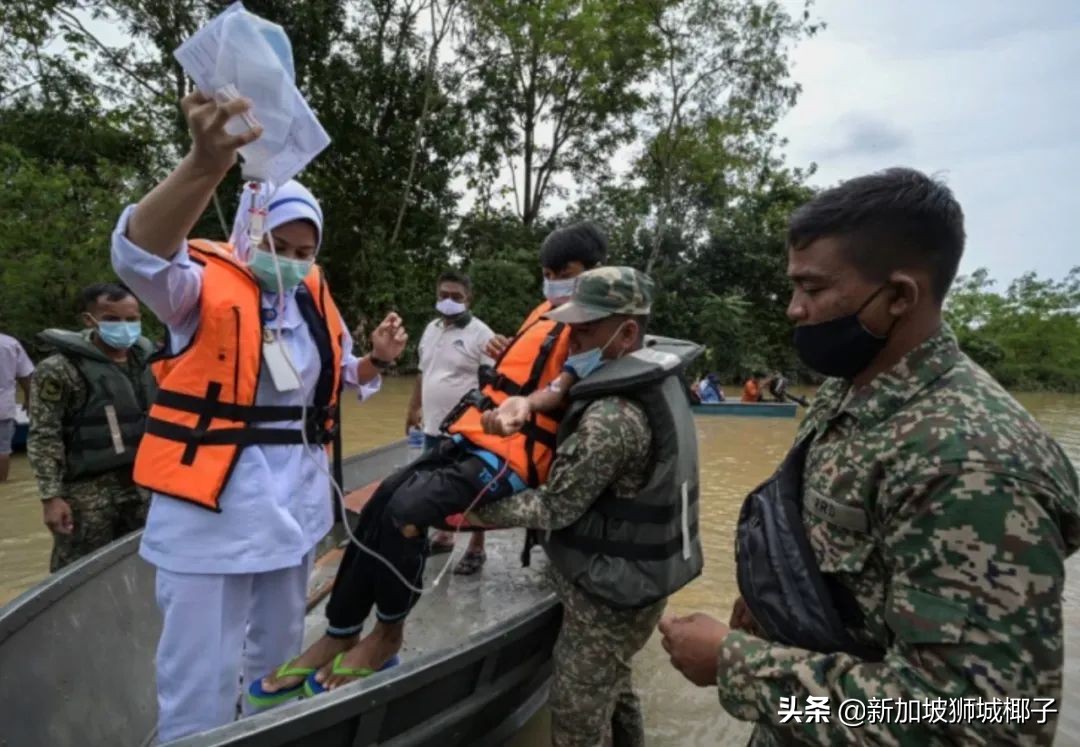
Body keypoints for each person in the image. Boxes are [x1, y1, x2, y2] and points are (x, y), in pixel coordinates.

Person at [659, 167, 1080, 745]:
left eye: (813, 289)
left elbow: (987, 723)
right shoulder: (850, 385)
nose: (793, 309)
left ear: (900, 296)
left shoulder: (972, 466)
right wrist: (764, 608)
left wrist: (737, 666)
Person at [110, 91, 408, 742]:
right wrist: (204, 163)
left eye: (306, 249)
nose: (294, 259)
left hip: (290, 515)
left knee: (272, 669)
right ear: (251, 230)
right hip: (210, 518)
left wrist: (377, 360)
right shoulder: (194, 289)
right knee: (199, 685)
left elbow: (342, 378)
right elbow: (140, 254)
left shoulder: (311, 300)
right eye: (280, 242)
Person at [253, 221, 608, 702]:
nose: (553, 280)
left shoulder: (598, 319)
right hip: (476, 434)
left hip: (518, 452)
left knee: (408, 510)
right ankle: (341, 630)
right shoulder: (545, 311)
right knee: (381, 499)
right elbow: (528, 365)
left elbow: (569, 376)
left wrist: (530, 404)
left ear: (594, 271)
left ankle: (388, 635)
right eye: (548, 271)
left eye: (564, 271)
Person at [469, 266, 704, 747]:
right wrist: (531, 403)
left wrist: (471, 515)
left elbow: (556, 507)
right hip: (641, 580)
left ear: (628, 332)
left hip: (609, 597)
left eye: (586, 330)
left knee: (577, 715)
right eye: (570, 328)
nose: (571, 341)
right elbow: (568, 378)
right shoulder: (651, 376)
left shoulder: (611, 419)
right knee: (617, 688)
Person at [26, 283, 154, 571]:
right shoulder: (59, 370)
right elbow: (45, 435)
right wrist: (51, 497)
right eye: (112, 319)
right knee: (80, 573)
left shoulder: (150, 360)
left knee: (145, 568)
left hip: (144, 487)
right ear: (89, 320)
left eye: (132, 319)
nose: (125, 327)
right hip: (87, 495)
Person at [407, 270, 495, 573]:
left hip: (466, 430)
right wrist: (413, 407)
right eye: (443, 295)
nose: (448, 301)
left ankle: (476, 548)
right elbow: (423, 372)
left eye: (456, 297)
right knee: (433, 483)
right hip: (432, 425)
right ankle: (445, 536)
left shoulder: (482, 335)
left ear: (468, 299)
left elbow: (493, 384)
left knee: (470, 488)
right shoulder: (431, 328)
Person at [0, 330, 33, 481]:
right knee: (2, 450)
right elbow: (25, 375)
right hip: (3, 407)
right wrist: (28, 398)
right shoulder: (10, 343)